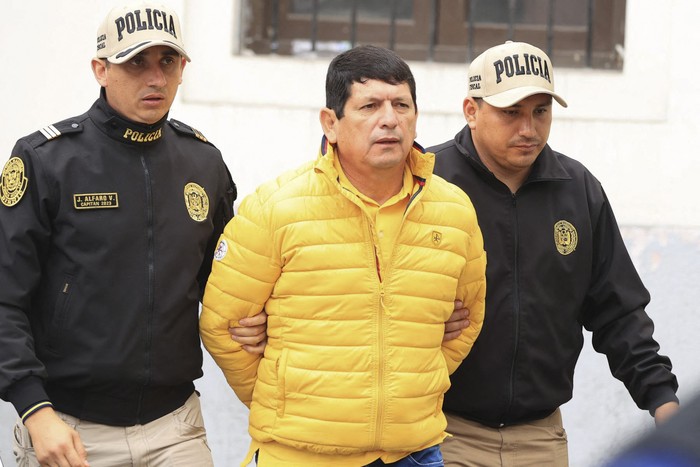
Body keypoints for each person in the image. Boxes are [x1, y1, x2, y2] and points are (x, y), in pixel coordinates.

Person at [200, 44, 487, 466]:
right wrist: (287, 399)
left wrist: (411, 387)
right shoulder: (276, 207)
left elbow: (468, 317)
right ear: (330, 123)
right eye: (369, 105)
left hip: (413, 453)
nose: (389, 119)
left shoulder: (454, 211)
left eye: (401, 105)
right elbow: (223, 325)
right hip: (299, 454)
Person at [0, 3, 262, 466]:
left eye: (168, 61)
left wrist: (257, 320)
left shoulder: (204, 163)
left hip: (175, 427)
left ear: (184, 69)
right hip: (69, 429)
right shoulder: (46, 161)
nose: (155, 78)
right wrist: (35, 412)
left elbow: (225, 284)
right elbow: (4, 297)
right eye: (135, 62)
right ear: (101, 69)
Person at [429, 40, 680, 466]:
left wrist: (663, 401)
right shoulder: (427, 183)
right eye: (511, 113)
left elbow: (617, 311)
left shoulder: (578, 190)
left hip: (541, 439)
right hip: (441, 433)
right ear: (471, 111)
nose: (528, 128)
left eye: (540, 111)